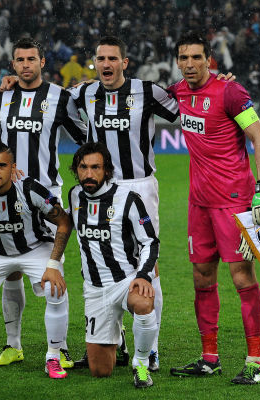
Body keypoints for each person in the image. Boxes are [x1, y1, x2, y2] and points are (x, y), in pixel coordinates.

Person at [68, 35, 179, 371]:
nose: (106, 64)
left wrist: (214, 82)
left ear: (124, 63)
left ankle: (152, 349)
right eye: (101, 59)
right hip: (99, 186)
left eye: (112, 58)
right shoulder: (85, 93)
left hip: (138, 184)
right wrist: (13, 85)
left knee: (147, 263)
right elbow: (58, 105)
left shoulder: (147, 91)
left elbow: (181, 108)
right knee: (101, 257)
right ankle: (114, 339)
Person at [168, 32, 260, 385]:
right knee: (201, 277)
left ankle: (255, 361)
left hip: (234, 202)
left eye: (197, 57)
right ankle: (209, 358)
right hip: (199, 203)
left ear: (209, 60)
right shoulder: (178, 92)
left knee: (242, 277)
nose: (190, 64)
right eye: (184, 58)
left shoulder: (230, 92)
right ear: (177, 61)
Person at [0, 37, 86, 369]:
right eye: (20, 60)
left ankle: (60, 348)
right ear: (13, 64)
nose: (26, 65)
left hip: (46, 196)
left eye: (31, 59)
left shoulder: (59, 97)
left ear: (42, 62)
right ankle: (13, 345)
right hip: (5, 197)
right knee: (11, 271)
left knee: (52, 273)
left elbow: (84, 137)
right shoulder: (3, 96)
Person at [0, 143, 73, 379]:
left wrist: (53, 265)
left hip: (36, 249)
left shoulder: (30, 188)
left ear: (13, 167)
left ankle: (53, 357)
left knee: (54, 287)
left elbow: (64, 222)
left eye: (2, 165)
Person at [67, 142, 160, 388]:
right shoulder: (74, 195)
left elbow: (150, 241)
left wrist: (143, 275)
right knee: (100, 371)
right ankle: (119, 340)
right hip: (95, 289)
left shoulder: (128, 199)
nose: (88, 174)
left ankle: (141, 364)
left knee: (143, 302)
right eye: (83, 167)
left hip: (125, 281)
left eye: (95, 167)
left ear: (107, 170)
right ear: (76, 170)